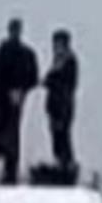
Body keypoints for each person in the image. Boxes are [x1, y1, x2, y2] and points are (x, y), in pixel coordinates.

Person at [0, 17, 40, 185]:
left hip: (13, 104)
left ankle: (9, 175)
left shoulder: (25, 54)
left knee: (10, 141)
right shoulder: (1, 53)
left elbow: (32, 78)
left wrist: (21, 91)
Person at [44, 29, 80, 173]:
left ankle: (66, 164)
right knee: (56, 136)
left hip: (63, 105)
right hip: (54, 104)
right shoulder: (58, 61)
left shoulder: (69, 61)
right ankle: (60, 161)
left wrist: (51, 79)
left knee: (63, 135)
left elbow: (65, 83)